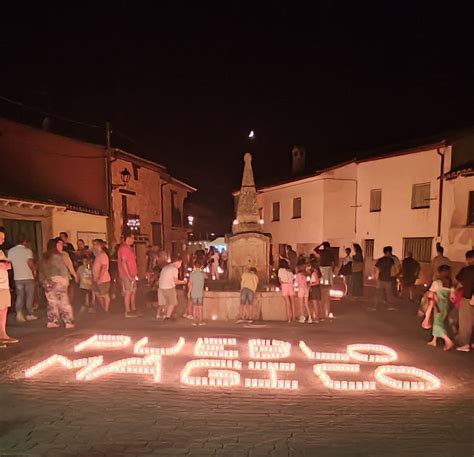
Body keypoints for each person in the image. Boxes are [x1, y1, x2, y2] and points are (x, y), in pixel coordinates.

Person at [39, 238, 75, 329]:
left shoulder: (45, 257)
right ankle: (68, 321)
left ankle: (53, 321)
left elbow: (41, 270)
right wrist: (71, 277)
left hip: (48, 280)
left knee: (52, 302)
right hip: (60, 280)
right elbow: (65, 269)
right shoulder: (61, 256)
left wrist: (42, 280)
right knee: (63, 301)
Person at [7, 234, 38, 322]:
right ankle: (29, 313)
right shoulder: (27, 251)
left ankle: (19, 313)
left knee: (20, 295)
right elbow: (30, 263)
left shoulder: (11, 251)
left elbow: (9, 264)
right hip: (28, 276)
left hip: (17, 277)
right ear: (25, 241)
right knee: (29, 296)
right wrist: (34, 271)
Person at [427, 265, 454, 351]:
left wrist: (431, 303)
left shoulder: (437, 282)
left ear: (440, 272)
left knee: (437, 323)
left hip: (438, 305)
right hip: (446, 305)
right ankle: (434, 340)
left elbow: (431, 294)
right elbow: (452, 297)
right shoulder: (450, 283)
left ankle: (448, 341)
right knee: (441, 321)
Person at [0, 228, 18, 348]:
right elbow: (3, 264)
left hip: (4, 284)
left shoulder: (1, 251)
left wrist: (4, 264)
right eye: (0, 238)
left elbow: (9, 265)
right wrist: (4, 264)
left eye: (3, 238)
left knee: (4, 310)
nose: (2, 240)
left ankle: (3, 334)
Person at [453, 249, 474, 352]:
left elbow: (460, 283)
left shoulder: (466, 271)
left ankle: (464, 344)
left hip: (468, 298)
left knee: (465, 322)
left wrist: (454, 291)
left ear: (469, 259)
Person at [118, 232, 139, 318]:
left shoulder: (129, 248)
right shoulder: (124, 249)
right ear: (128, 238)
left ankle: (133, 309)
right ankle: (127, 311)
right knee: (128, 292)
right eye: (132, 238)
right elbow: (123, 262)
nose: (133, 240)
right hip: (127, 274)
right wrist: (128, 275)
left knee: (133, 291)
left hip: (132, 273)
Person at [158, 255, 186, 320]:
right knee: (173, 302)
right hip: (169, 287)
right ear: (178, 262)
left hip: (161, 287)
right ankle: (168, 317)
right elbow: (176, 281)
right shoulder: (174, 269)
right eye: (180, 263)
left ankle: (165, 315)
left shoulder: (165, 267)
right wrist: (183, 282)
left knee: (166, 303)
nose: (180, 265)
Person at [373, 246, 396, 311]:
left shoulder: (380, 260)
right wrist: (394, 276)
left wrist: (376, 277)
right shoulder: (391, 260)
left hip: (380, 279)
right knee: (389, 293)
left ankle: (375, 307)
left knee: (378, 293)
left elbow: (377, 269)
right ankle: (390, 307)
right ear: (389, 252)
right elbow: (393, 269)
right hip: (388, 279)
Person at [92, 239, 111, 313]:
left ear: (99, 245)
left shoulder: (103, 255)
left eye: (95, 244)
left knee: (104, 294)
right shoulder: (98, 255)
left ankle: (106, 310)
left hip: (103, 279)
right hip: (97, 278)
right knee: (98, 293)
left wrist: (100, 277)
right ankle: (104, 308)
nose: (94, 246)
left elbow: (104, 267)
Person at [187, 261, 207, 326]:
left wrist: (189, 292)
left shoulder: (192, 274)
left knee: (195, 307)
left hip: (194, 293)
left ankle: (194, 321)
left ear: (194, 266)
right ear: (200, 266)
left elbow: (190, 284)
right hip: (200, 293)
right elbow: (206, 277)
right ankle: (201, 321)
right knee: (200, 307)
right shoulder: (202, 274)